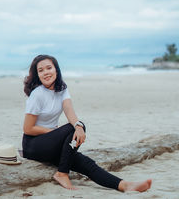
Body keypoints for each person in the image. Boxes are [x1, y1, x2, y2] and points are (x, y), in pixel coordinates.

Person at [22, 54, 152, 192]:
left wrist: (78, 127)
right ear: (37, 75)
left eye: (49, 68)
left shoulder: (62, 89)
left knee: (86, 161)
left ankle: (125, 185)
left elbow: (69, 111)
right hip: (33, 145)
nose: (46, 72)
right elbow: (28, 129)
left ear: (56, 70)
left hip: (51, 143)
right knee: (73, 129)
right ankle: (62, 173)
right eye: (41, 70)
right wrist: (58, 132)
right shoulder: (37, 95)